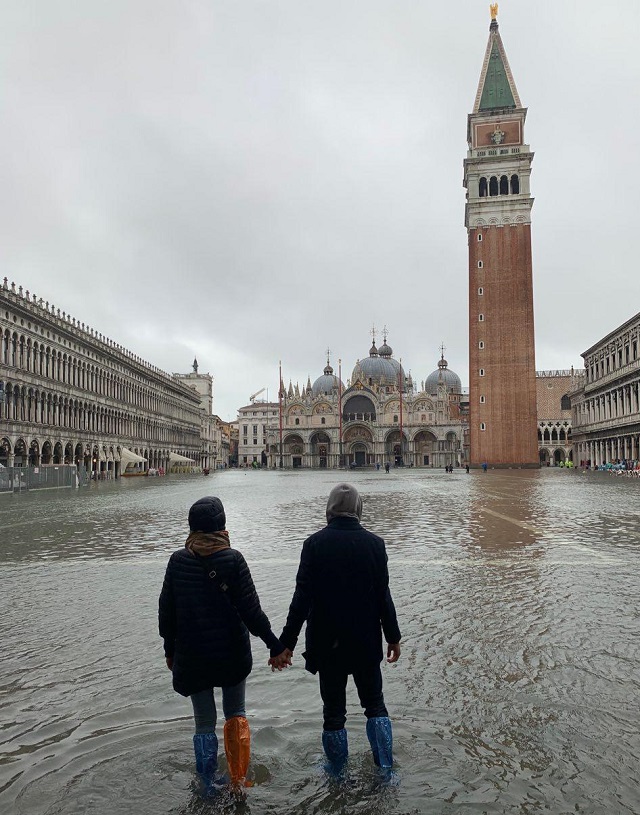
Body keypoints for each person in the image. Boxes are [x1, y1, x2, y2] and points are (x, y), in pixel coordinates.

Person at [159, 496, 286, 795]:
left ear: (192, 527)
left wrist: (170, 650)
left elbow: (167, 611)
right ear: (222, 525)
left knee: (204, 722)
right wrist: (276, 646)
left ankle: (206, 784)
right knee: (236, 713)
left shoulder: (178, 561)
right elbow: (252, 613)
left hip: (192, 655)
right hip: (231, 653)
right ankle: (238, 781)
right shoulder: (233, 559)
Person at [271, 483, 401, 775]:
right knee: (375, 705)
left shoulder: (314, 544)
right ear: (358, 509)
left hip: (327, 644)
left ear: (329, 509)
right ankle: (386, 770)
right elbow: (383, 596)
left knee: (333, 713)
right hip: (365, 642)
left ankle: (336, 774)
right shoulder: (375, 544)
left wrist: (285, 644)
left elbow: (300, 600)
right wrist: (393, 637)